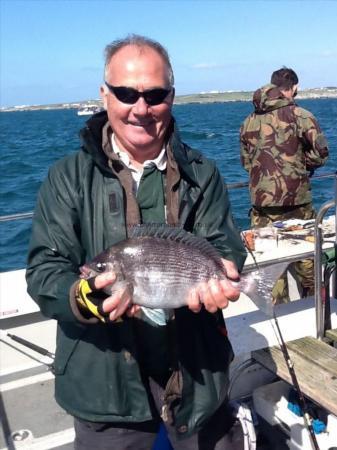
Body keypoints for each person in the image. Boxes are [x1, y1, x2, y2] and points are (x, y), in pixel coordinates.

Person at [26, 34, 247, 450]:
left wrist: (226, 269)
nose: (140, 108)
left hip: (196, 374)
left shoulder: (204, 172)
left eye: (155, 94)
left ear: (172, 97)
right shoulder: (65, 178)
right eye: (126, 93)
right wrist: (81, 295)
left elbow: (224, 243)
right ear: (104, 94)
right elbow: (44, 270)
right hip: (103, 386)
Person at [240, 67, 329, 303]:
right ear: (294, 88)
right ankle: (314, 308)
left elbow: (246, 161)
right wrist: (301, 166)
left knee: (269, 263)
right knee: (307, 258)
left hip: (261, 202)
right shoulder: (301, 115)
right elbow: (321, 153)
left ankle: (279, 313)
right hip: (296, 200)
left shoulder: (248, 120)